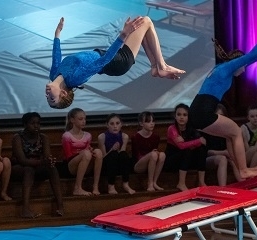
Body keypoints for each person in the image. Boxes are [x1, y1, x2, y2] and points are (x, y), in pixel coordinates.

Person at [188, 20, 257, 179]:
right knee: (236, 131)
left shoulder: (220, 68)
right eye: (243, 66)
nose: (244, 69)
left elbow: (249, 58)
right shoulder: (227, 68)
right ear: (236, 64)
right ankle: (243, 169)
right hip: (203, 111)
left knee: (229, 135)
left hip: (196, 112)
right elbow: (250, 56)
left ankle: (240, 169)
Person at [46, 16, 185, 109]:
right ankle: (161, 65)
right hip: (117, 63)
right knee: (146, 21)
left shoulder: (54, 75)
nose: (47, 95)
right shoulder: (75, 78)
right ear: (63, 93)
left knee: (142, 31)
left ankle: (156, 67)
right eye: (52, 99)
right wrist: (123, 35)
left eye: (48, 98)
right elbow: (103, 61)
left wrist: (57, 33)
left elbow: (56, 56)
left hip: (112, 58)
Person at [11, 112, 64, 218]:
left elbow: (47, 156)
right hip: (19, 168)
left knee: (52, 168)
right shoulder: (17, 137)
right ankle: (25, 209)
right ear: (25, 124)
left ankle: (60, 205)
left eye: (38, 123)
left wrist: (50, 161)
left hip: (38, 167)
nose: (36, 126)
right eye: (32, 123)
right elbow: (22, 160)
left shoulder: (43, 137)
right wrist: (42, 162)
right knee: (28, 169)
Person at [164, 103, 207, 191]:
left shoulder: (191, 129)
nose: (181, 117)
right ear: (175, 116)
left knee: (201, 150)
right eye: (179, 115)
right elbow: (181, 146)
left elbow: (200, 144)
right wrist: (197, 141)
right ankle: (181, 183)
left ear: (188, 117)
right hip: (171, 161)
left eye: (184, 115)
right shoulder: (172, 128)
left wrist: (195, 143)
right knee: (186, 151)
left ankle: (201, 182)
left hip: (185, 160)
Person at [60, 108, 103, 196]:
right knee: (86, 154)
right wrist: (83, 153)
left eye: (84, 119)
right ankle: (77, 188)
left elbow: (87, 150)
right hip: (71, 165)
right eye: (80, 119)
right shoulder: (67, 136)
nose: (83, 121)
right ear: (72, 120)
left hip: (84, 162)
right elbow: (68, 156)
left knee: (98, 152)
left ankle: (95, 186)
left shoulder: (87, 135)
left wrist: (90, 151)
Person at [97, 113, 135, 194]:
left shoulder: (124, 136)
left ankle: (126, 184)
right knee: (113, 154)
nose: (115, 126)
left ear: (121, 125)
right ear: (107, 125)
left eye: (117, 123)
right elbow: (103, 157)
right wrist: (112, 149)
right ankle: (111, 186)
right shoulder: (102, 137)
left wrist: (117, 150)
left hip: (119, 164)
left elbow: (122, 154)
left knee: (124, 155)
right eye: (112, 124)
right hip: (107, 165)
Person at [204, 104, 241, 186]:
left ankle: (242, 182)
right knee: (222, 159)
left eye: (222, 116)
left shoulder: (227, 131)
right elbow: (206, 152)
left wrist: (228, 153)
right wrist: (224, 153)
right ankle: (223, 188)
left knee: (232, 158)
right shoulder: (206, 129)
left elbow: (231, 149)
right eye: (217, 116)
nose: (219, 119)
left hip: (225, 155)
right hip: (206, 159)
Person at [131, 111, 165, 191]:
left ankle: (154, 182)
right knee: (153, 155)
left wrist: (153, 153)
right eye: (148, 121)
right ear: (141, 123)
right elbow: (137, 155)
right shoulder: (136, 137)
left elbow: (154, 151)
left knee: (162, 154)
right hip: (138, 164)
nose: (152, 123)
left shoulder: (156, 136)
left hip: (151, 161)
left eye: (153, 121)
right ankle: (149, 184)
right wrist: (150, 154)